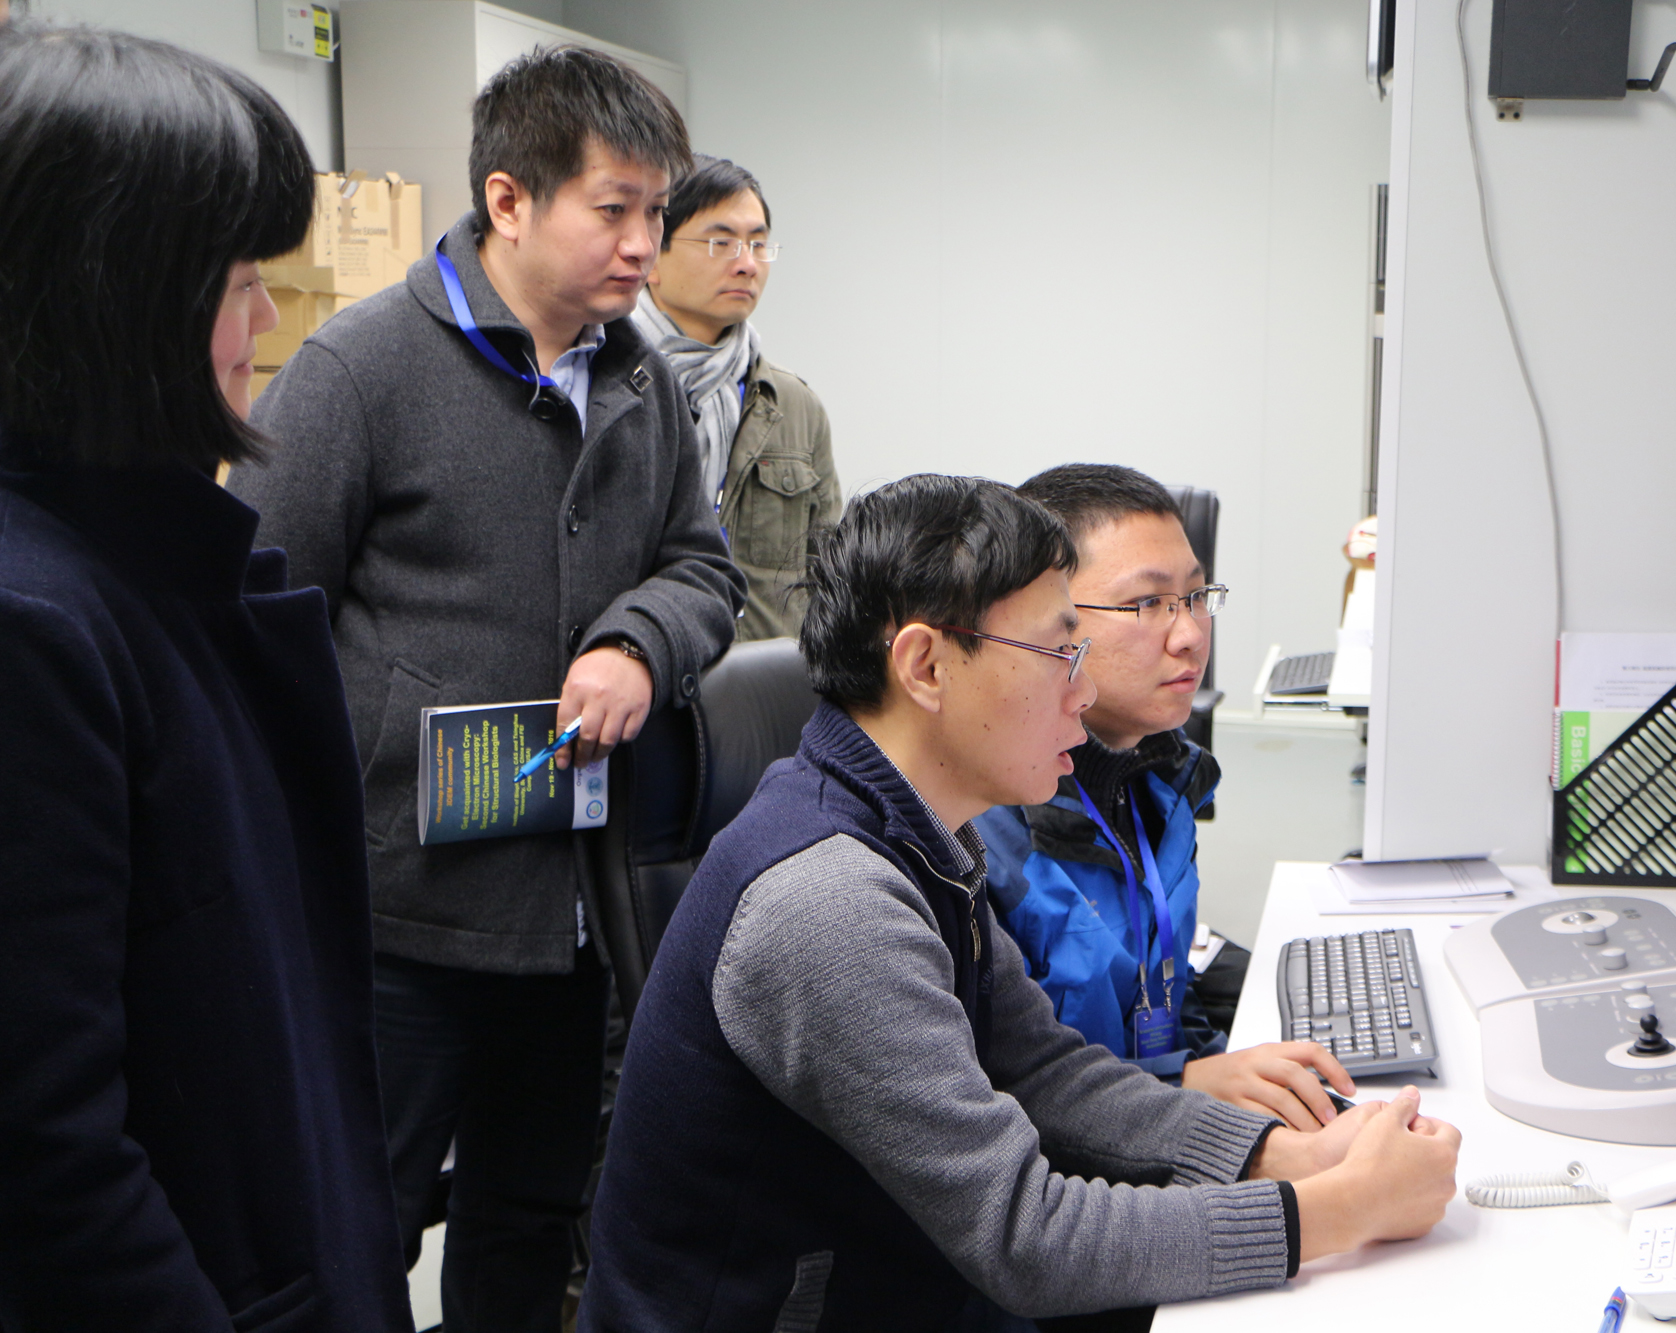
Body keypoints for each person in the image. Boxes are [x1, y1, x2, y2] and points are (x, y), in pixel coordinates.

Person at [579, 474, 1460, 1329]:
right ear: (926, 665)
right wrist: (1334, 1210)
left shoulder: (924, 830)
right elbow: (1024, 1236)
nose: (1084, 690)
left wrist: (1281, 1154)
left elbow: (1044, 1070)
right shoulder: (829, 902)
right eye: (1058, 654)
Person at [228, 46, 745, 1332]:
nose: (643, 245)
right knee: (359, 1224)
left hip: (569, 911)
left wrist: (636, 644)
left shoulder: (637, 379)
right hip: (393, 915)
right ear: (508, 200)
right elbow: (251, 622)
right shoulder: (360, 369)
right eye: (613, 210)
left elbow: (702, 569)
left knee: (528, 1222)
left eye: (655, 212)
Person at [0, 25, 410, 1332]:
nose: (265, 323)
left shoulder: (144, 567)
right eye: (239, 281)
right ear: (118, 299)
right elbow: (48, 1150)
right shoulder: (36, 622)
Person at [973, 464, 1349, 1132]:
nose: (1191, 634)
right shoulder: (978, 835)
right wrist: (1187, 1086)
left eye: (1197, 596)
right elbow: (998, 1102)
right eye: (1148, 604)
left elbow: (1165, 995)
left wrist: (1224, 1076)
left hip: (1155, 1127)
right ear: (1046, 618)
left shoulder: (1160, 779)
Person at [631, 154, 841, 638]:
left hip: (762, 676)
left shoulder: (793, 406)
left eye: (758, 245)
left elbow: (831, 579)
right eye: (720, 243)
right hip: (644, 667)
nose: (747, 265)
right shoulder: (605, 387)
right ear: (652, 254)